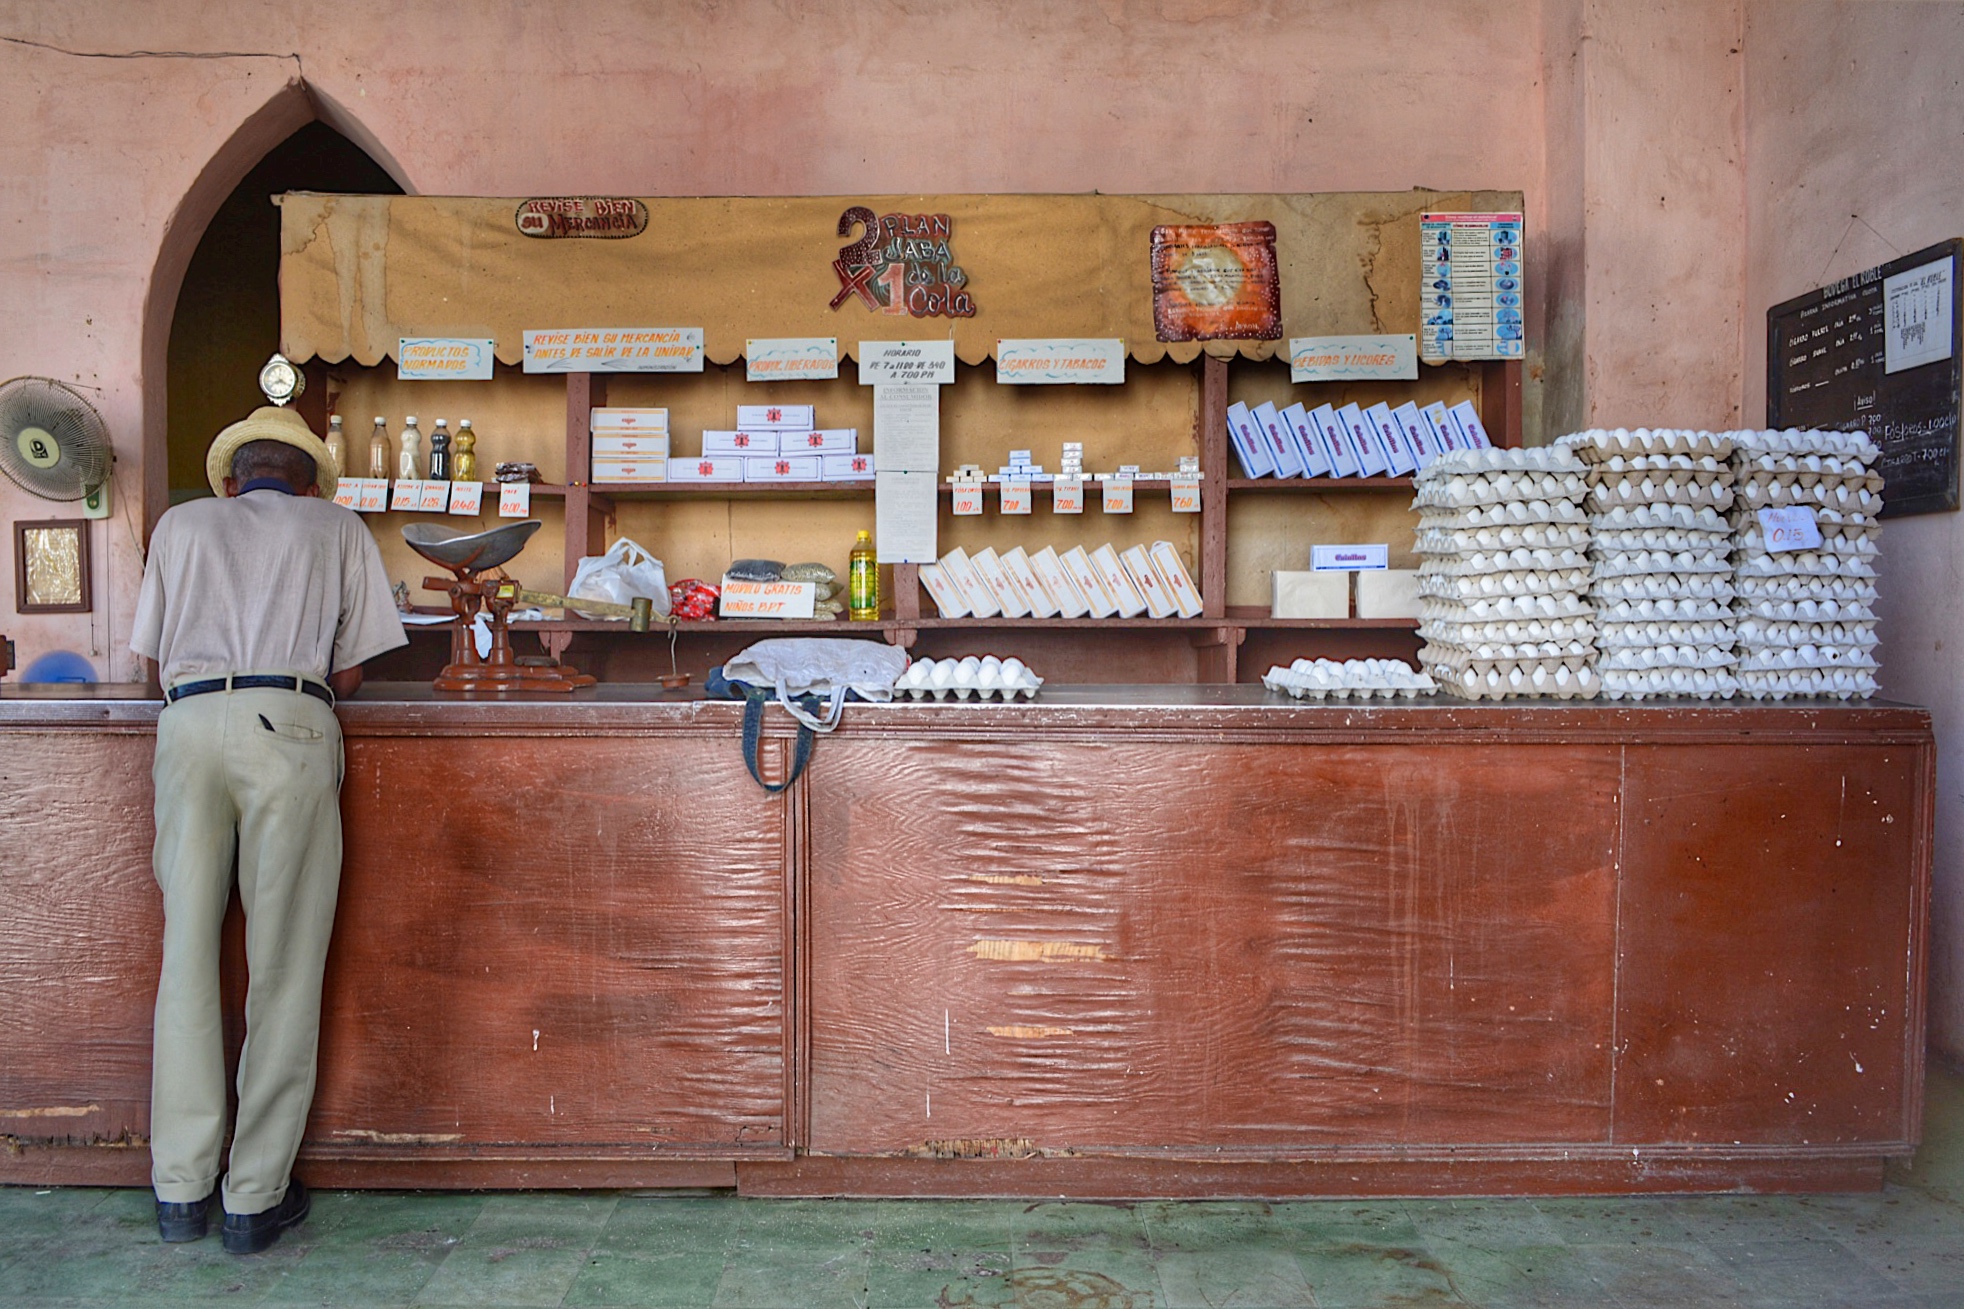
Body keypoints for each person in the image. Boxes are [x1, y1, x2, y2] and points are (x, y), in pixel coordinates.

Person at [130, 405, 405, 1254]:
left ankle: (179, 1189)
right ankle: (252, 1198)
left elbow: (148, 661)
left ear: (229, 479)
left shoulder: (180, 524)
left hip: (185, 726)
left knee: (187, 956)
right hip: (289, 723)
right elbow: (351, 672)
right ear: (312, 480)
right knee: (282, 963)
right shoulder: (338, 525)